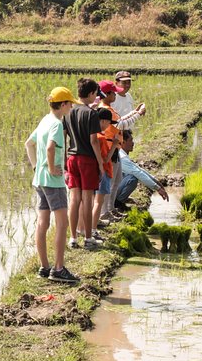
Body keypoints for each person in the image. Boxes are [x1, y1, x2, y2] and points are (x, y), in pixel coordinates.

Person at [24, 87, 80, 283]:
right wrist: (51, 167)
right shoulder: (56, 124)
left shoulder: (44, 121)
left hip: (39, 180)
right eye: (70, 103)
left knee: (43, 222)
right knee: (62, 223)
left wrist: (36, 167)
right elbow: (49, 147)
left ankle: (44, 266)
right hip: (53, 182)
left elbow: (28, 144)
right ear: (63, 104)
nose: (72, 106)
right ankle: (58, 269)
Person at [63, 78, 106, 249]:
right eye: (95, 93)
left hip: (72, 158)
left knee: (74, 198)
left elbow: (64, 136)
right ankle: (88, 238)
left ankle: (73, 238)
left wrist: (64, 158)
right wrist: (101, 164)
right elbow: (94, 141)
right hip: (87, 159)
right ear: (90, 94)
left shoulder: (69, 113)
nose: (96, 96)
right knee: (87, 198)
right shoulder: (91, 114)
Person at [97, 80, 146, 220]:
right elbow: (122, 126)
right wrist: (139, 114)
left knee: (116, 180)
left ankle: (110, 209)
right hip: (109, 148)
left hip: (115, 148)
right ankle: (104, 213)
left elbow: (119, 122)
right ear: (106, 94)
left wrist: (134, 112)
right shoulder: (104, 109)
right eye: (114, 93)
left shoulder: (109, 108)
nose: (116, 95)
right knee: (109, 183)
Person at [114, 130, 169, 210]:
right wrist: (158, 188)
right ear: (123, 142)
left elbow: (139, 169)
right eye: (131, 140)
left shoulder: (122, 154)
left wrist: (157, 183)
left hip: (112, 188)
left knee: (131, 176)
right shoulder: (122, 157)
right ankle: (118, 203)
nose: (133, 143)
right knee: (132, 178)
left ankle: (117, 199)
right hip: (109, 191)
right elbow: (138, 173)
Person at [91, 108, 119, 240]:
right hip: (104, 171)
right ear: (103, 121)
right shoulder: (101, 138)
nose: (109, 126)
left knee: (92, 201)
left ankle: (90, 227)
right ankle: (93, 229)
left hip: (94, 172)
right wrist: (114, 144)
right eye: (109, 123)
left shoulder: (93, 135)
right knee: (98, 202)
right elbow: (106, 159)